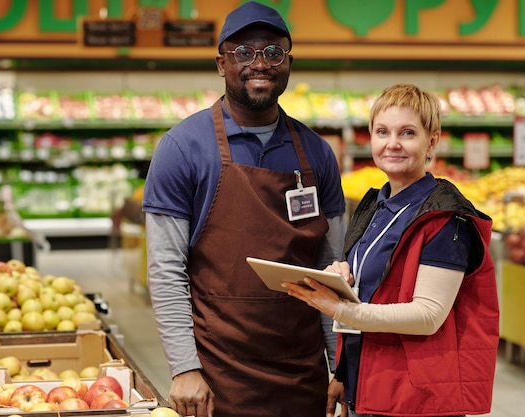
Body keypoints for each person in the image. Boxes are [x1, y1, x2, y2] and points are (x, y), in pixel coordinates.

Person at [141, 2, 346, 417]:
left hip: (301, 375)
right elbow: (166, 270)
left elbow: (332, 270)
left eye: (273, 52)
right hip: (218, 376)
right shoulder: (182, 148)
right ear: (221, 63)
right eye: (244, 53)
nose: (260, 63)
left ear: (288, 63)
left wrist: (341, 365)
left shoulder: (317, 153)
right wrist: (184, 368)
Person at [283, 83, 500, 417]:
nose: (392, 143)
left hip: (415, 400)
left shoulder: (445, 219)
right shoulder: (376, 206)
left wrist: (339, 309)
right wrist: (344, 372)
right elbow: (372, 292)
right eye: (382, 131)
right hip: (369, 387)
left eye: (407, 132)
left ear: (432, 141)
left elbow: (427, 316)